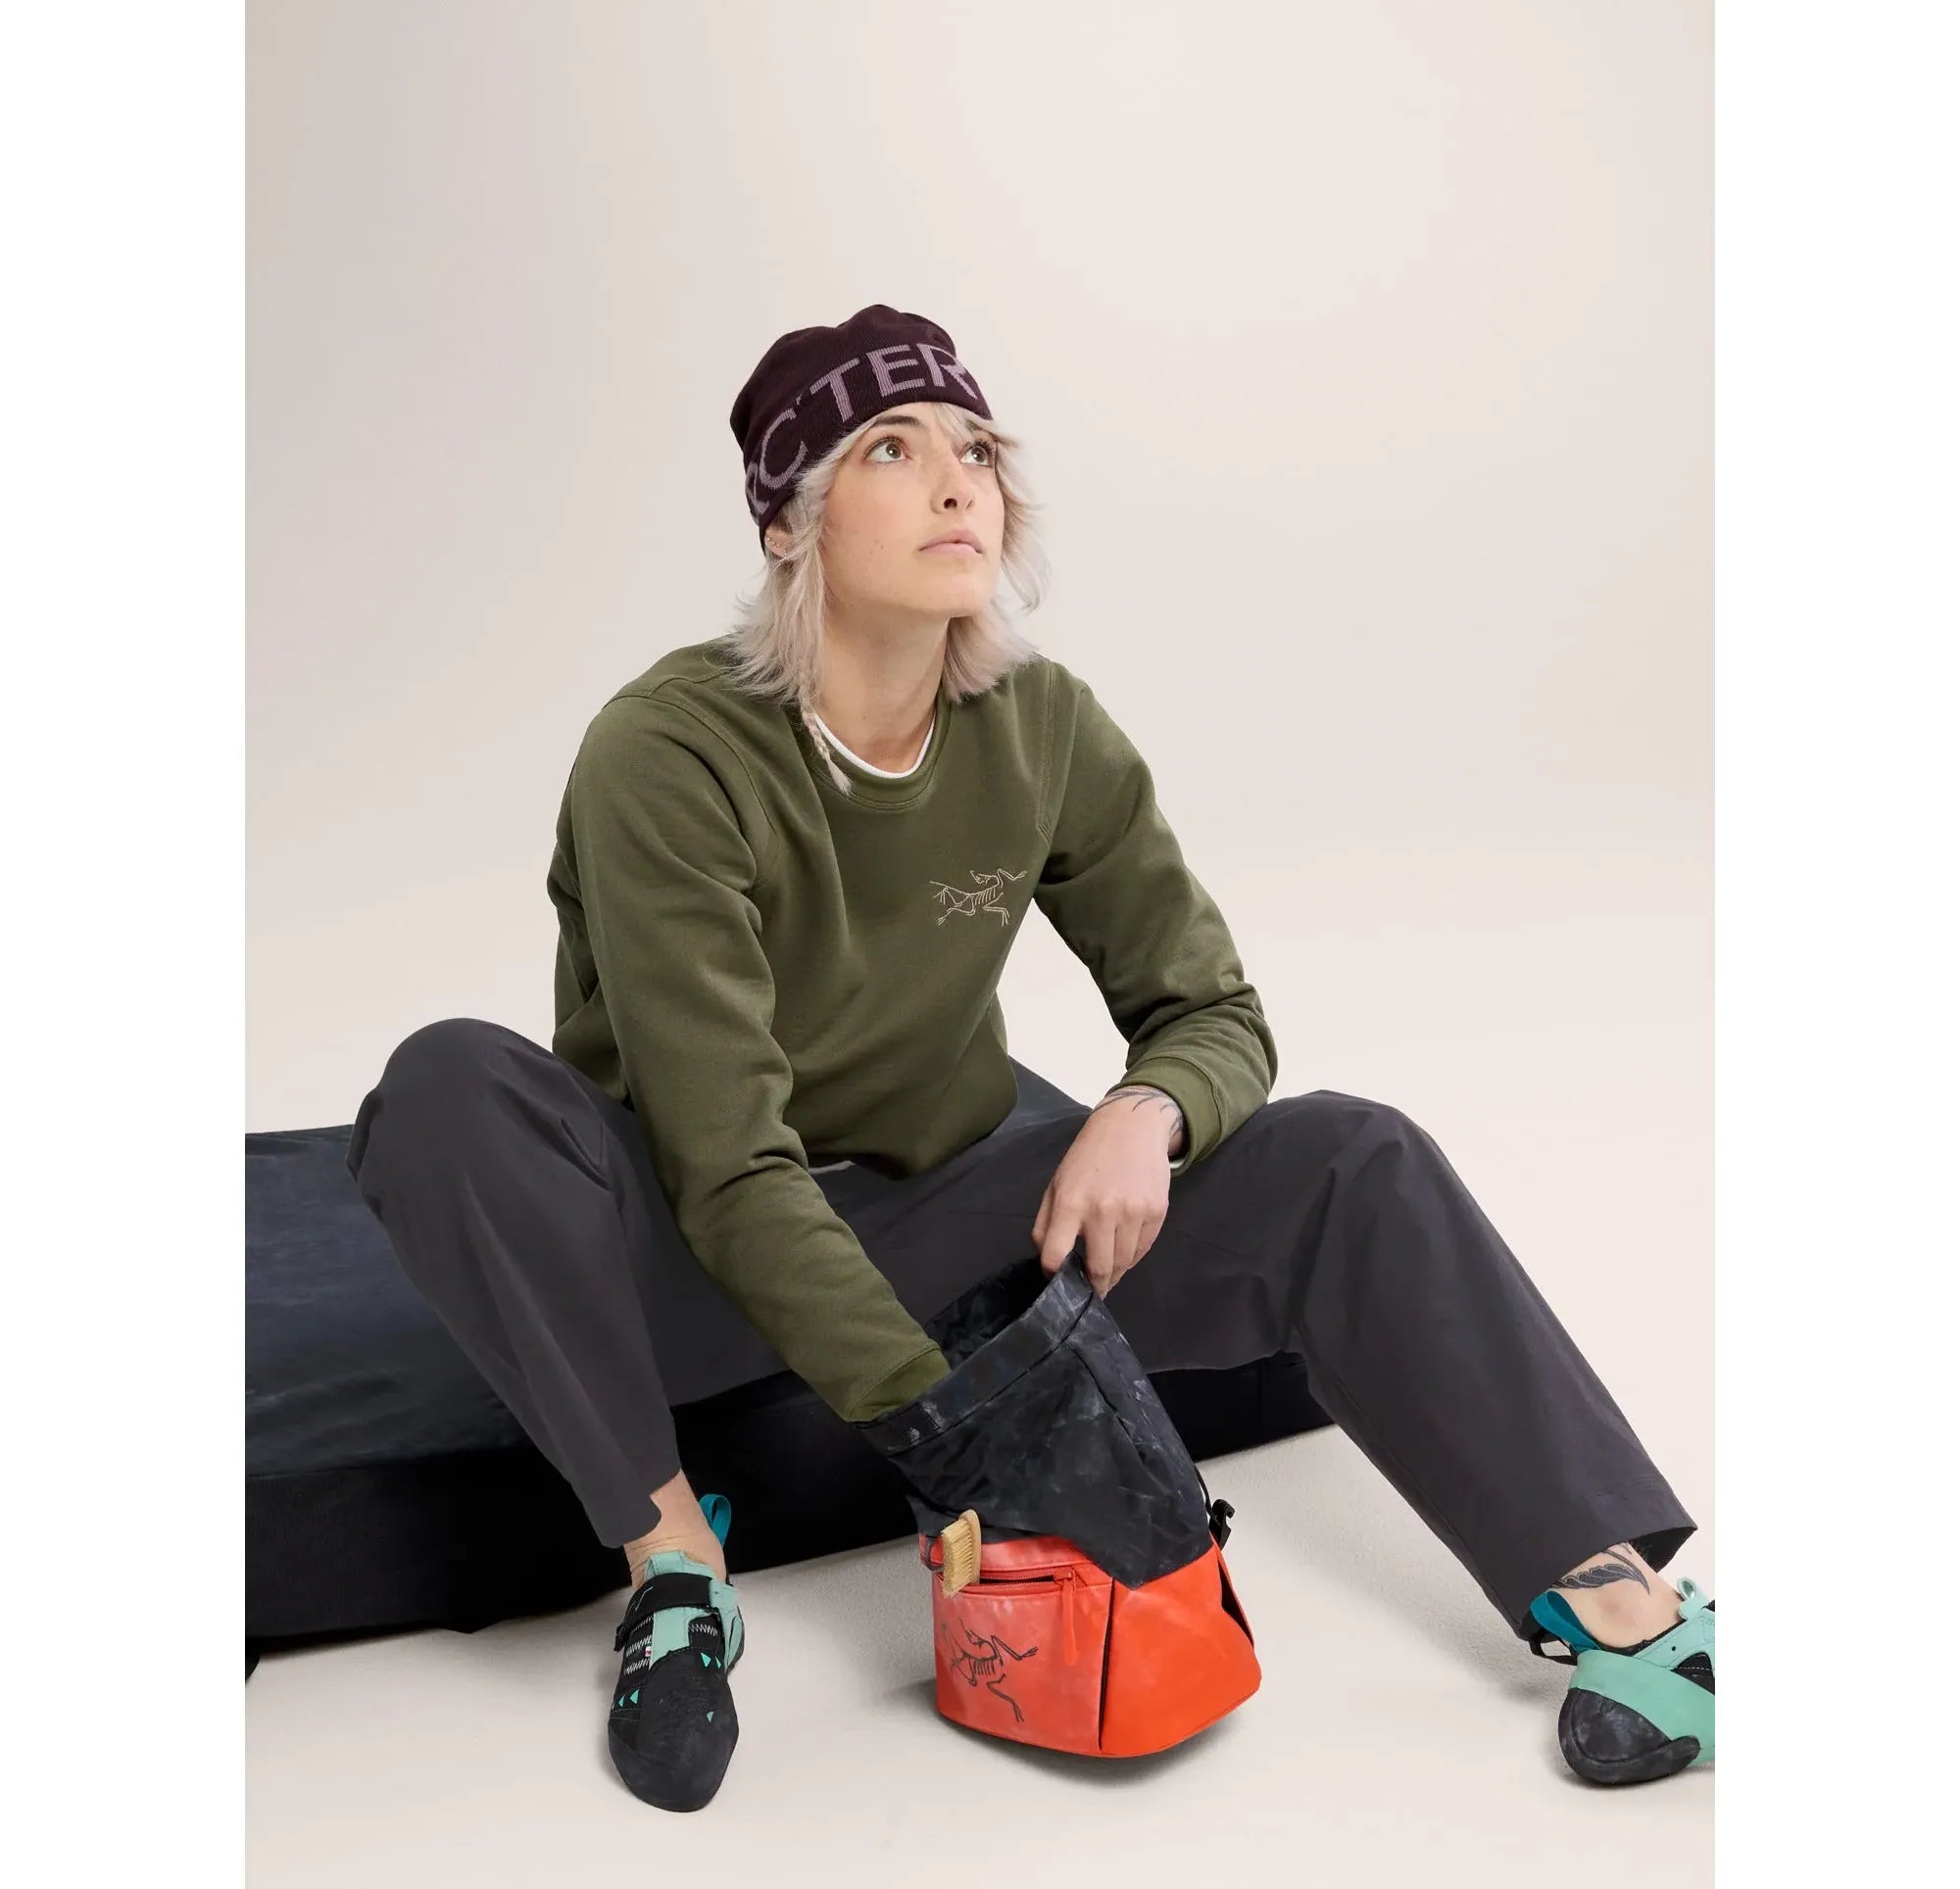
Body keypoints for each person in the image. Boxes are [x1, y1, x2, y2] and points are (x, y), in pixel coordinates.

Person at [345, 303, 1714, 1813]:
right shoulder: (669, 753)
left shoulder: (1040, 722)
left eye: (979, 451)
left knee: (1352, 1156)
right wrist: (955, 1426)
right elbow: (728, 1166)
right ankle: (674, 1567)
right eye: (892, 451)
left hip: (944, 1227)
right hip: (681, 1261)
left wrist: (1148, 1108)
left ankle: (1616, 1594)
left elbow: (1214, 1012)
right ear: (791, 523)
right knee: (446, 1089)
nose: (958, 483)